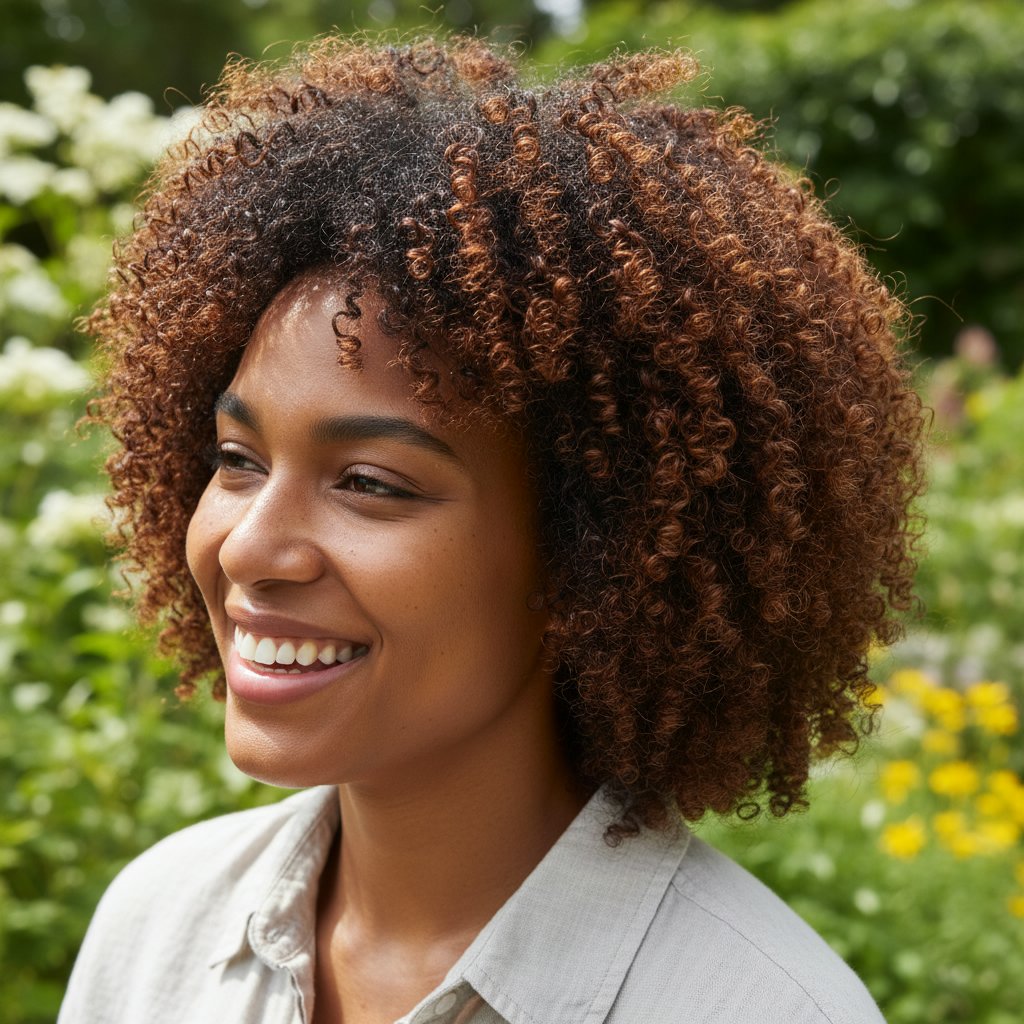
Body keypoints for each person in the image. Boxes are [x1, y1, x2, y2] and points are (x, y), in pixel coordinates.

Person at [58, 36, 923, 1024]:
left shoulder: (758, 1008)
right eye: (237, 459)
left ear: (596, 553)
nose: (251, 547)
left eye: (370, 483)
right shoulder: (156, 931)